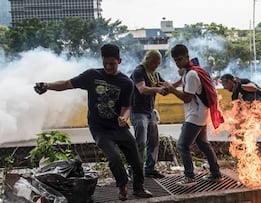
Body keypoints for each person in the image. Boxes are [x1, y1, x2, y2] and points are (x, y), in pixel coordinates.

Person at [33, 44, 152, 201]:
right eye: (105, 63)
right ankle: (122, 186)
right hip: (99, 128)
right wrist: (47, 85)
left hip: (119, 127)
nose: (108, 67)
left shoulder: (126, 82)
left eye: (112, 64)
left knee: (136, 158)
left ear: (119, 61)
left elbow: (126, 106)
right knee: (114, 158)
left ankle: (138, 188)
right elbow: (67, 84)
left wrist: (124, 117)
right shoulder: (92, 76)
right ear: (102, 60)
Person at [160, 44, 223, 187]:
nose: (178, 63)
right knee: (203, 144)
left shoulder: (192, 74)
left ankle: (189, 177)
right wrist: (169, 87)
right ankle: (215, 173)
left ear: (187, 56)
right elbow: (179, 82)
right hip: (201, 114)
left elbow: (187, 97)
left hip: (196, 115)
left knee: (182, 145)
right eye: (175, 60)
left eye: (180, 59)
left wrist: (171, 89)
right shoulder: (188, 71)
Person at [129, 50, 168, 179]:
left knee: (154, 141)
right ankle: (135, 170)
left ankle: (150, 169)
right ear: (148, 61)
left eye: (158, 63)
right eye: (154, 63)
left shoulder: (155, 74)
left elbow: (166, 86)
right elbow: (142, 89)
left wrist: (179, 81)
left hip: (150, 111)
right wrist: (158, 89)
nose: (156, 66)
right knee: (140, 143)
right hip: (137, 111)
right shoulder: (139, 71)